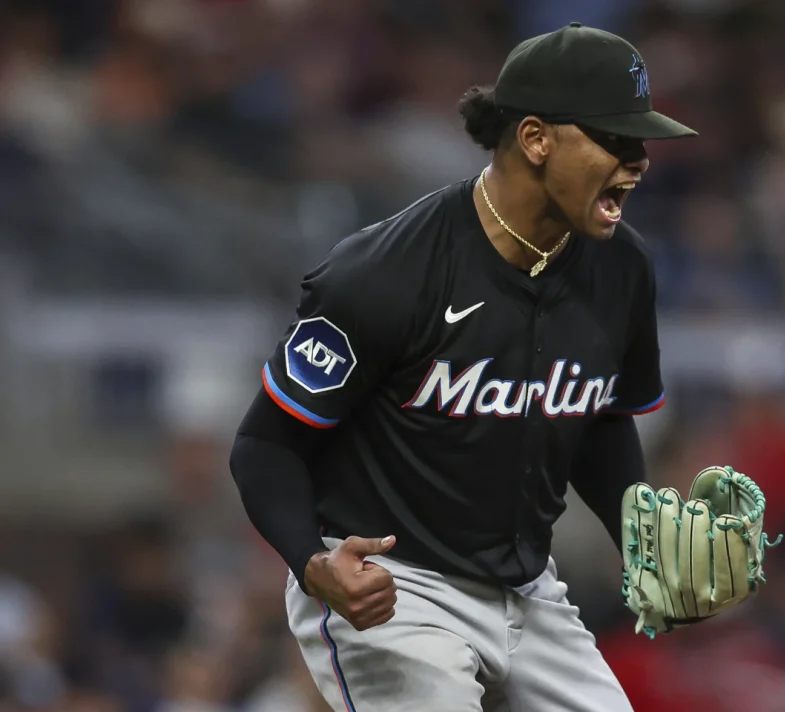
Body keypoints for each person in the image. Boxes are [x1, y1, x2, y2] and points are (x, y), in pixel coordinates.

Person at [229, 22, 697, 712]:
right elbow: (265, 444)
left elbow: (598, 421)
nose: (637, 162)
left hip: (529, 591)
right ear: (536, 139)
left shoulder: (621, 268)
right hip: (395, 586)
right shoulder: (386, 272)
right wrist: (311, 562)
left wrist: (643, 541)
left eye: (640, 143)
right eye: (614, 140)